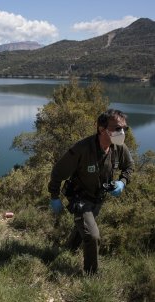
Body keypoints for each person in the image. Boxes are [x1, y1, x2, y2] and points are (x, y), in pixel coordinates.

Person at [48, 109, 134, 275]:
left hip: (98, 199)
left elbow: (129, 167)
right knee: (93, 236)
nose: (122, 133)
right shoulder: (82, 148)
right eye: (117, 128)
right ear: (102, 129)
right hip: (79, 198)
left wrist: (122, 182)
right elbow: (58, 171)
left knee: (84, 228)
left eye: (124, 129)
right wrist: (54, 196)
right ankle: (91, 275)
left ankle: (69, 249)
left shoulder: (119, 148)